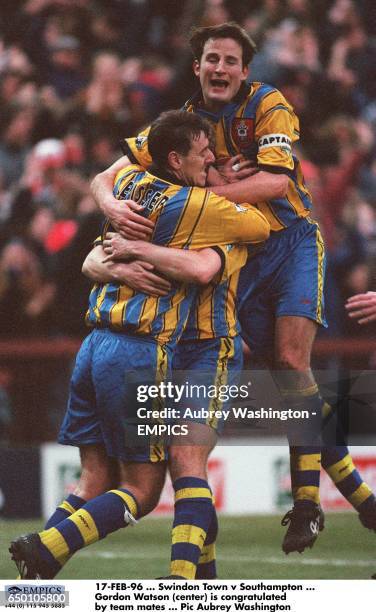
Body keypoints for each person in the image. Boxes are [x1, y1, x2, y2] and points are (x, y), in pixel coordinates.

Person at [90, 22, 376, 554]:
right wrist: (108, 203)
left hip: (288, 243)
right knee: (288, 385)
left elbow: (277, 182)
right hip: (233, 254)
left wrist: (219, 189)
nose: (219, 68)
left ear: (245, 71)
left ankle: (309, 503)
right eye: (210, 59)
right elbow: (107, 174)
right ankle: (361, 499)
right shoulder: (180, 122)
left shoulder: (268, 103)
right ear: (197, 67)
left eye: (229, 61)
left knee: (292, 367)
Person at [9, 109, 269, 579]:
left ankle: (32, 587)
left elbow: (93, 254)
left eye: (221, 157)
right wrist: (123, 255)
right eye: (208, 155)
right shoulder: (204, 211)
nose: (215, 161)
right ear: (177, 158)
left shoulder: (130, 187)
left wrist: (123, 248)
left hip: (99, 344)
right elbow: (210, 262)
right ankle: (55, 549)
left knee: (99, 479)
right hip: (149, 350)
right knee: (149, 488)